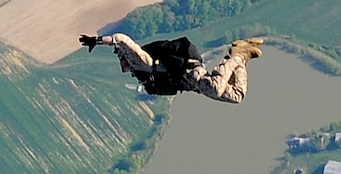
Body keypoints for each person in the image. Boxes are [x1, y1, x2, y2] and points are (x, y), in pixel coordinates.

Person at [79, 33, 263, 104]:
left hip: (190, 72)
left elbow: (121, 39)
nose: (122, 67)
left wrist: (97, 40)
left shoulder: (141, 62)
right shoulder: (141, 74)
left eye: (121, 60)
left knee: (216, 88)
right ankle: (243, 57)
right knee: (236, 96)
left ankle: (236, 54)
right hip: (191, 84)